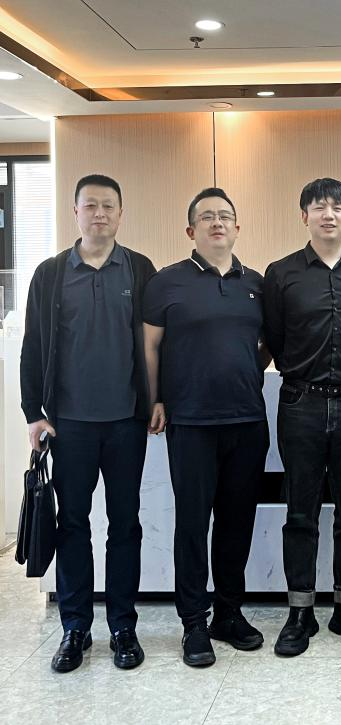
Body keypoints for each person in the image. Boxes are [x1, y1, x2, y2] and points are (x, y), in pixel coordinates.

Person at [20, 174, 154, 673]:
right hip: (69, 425)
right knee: (73, 524)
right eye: (90, 205)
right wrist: (33, 412)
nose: (100, 214)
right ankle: (75, 627)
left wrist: (157, 399)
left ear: (120, 213)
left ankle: (123, 626)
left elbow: (155, 344)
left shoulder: (139, 269)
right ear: (75, 211)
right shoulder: (51, 273)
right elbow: (33, 346)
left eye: (108, 206)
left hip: (126, 422)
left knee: (125, 525)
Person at [143, 188, 269, 667]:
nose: (217, 223)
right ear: (190, 230)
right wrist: (156, 398)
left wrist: (247, 371)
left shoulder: (256, 283)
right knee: (193, 525)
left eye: (225, 216)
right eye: (207, 217)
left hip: (247, 421)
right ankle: (194, 622)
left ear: (237, 227)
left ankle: (228, 614)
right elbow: (150, 346)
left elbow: (268, 344)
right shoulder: (166, 282)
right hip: (191, 422)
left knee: (237, 523)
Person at [263, 178, 341, 655]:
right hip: (300, 403)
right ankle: (300, 611)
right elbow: (274, 338)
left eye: (337, 207)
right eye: (318, 207)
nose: (328, 214)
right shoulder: (280, 274)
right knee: (300, 512)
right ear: (304, 216)